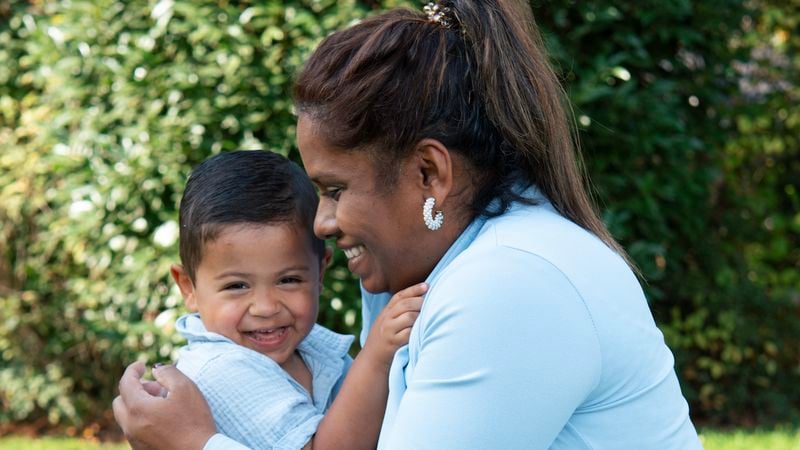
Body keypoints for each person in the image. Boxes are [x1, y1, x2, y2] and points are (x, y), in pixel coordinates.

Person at [114, 1, 703, 448]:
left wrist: (195, 443)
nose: (321, 222)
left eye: (335, 189)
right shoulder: (435, 269)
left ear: (430, 172)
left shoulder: (510, 285)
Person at [133, 150, 427, 449]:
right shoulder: (222, 369)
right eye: (237, 286)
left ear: (320, 272)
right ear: (188, 288)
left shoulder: (309, 350)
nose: (266, 307)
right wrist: (376, 357)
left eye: (289, 280)